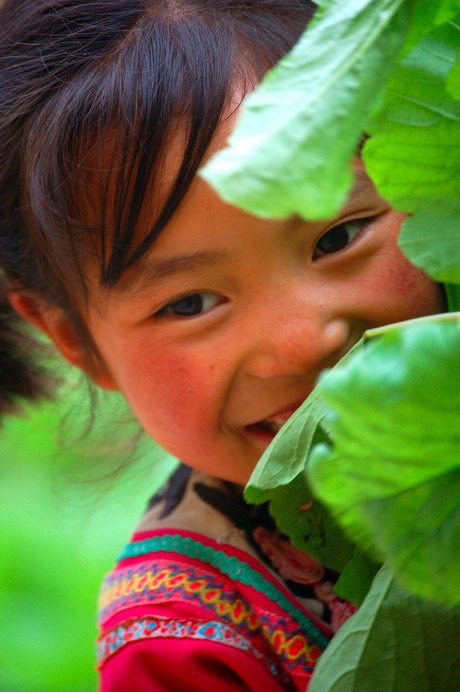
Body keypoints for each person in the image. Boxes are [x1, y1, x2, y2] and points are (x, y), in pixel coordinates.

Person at [0, 1, 448, 689]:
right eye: (190, 303)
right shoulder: (183, 645)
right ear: (76, 340)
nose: (303, 342)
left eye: (338, 238)